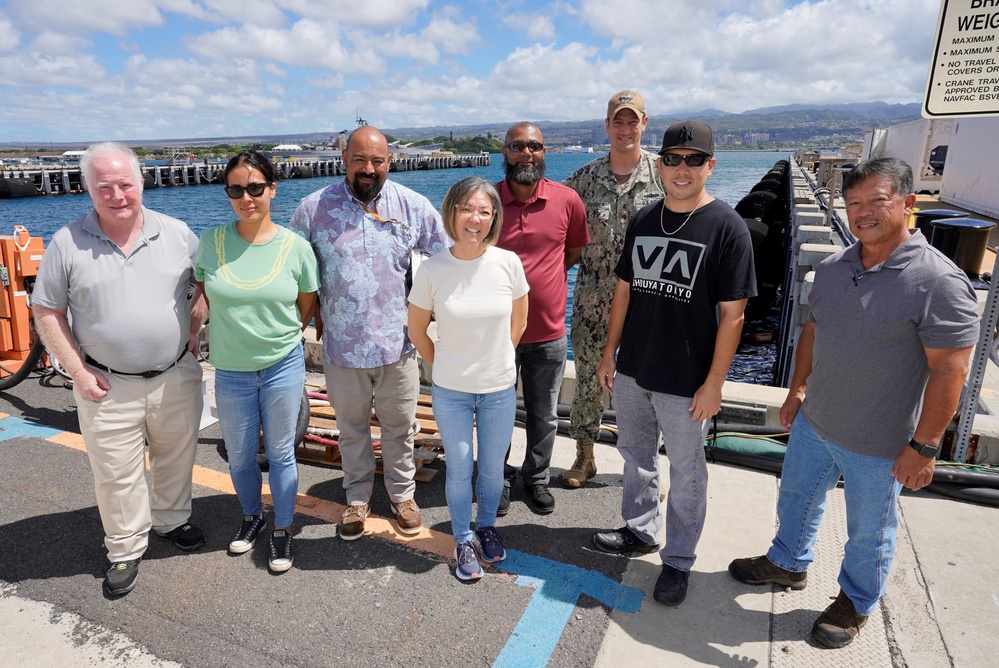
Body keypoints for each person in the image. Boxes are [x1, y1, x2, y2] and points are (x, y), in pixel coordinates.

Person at [729, 158, 979, 648]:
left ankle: (856, 601)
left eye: (877, 201)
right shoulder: (832, 268)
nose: (863, 213)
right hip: (815, 422)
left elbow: (951, 368)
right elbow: (813, 330)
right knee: (796, 498)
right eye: (854, 203)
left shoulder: (938, 282)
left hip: (881, 441)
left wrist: (924, 446)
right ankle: (787, 562)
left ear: (908, 204)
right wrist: (797, 389)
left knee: (869, 532)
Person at [32, 142, 207, 597]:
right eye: (104, 186)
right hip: (106, 381)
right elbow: (47, 311)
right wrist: (77, 372)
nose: (117, 195)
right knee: (115, 470)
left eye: (125, 184)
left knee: (177, 455)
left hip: (175, 373)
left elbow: (202, 285)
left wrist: (195, 330)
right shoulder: (67, 241)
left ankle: (172, 520)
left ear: (142, 182)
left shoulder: (178, 233)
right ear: (87, 188)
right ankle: (126, 547)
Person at [593, 121, 756, 607]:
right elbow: (624, 290)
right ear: (659, 164)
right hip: (633, 369)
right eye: (673, 159)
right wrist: (609, 354)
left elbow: (734, 316)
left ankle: (679, 560)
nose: (681, 169)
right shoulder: (644, 218)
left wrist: (714, 384)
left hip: (687, 380)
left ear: (710, 165)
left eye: (693, 160)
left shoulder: (728, 227)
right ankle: (641, 530)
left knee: (687, 472)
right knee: (635, 457)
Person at [289, 126, 449, 541]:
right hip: (342, 345)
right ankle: (356, 499)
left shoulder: (413, 207)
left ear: (389, 162)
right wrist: (311, 311)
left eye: (377, 161)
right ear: (344, 159)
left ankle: (402, 496)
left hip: (399, 345)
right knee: (352, 429)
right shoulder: (312, 208)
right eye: (359, 159)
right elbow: (295, 270)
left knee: (400, 427)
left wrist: (432, 310)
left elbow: (446, 258)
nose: (368, 168)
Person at [195, 150, 319, 573]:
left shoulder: (296, 247)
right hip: (230, 370)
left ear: (272, 189)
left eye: (255, 188)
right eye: (236, 189)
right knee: (241, 455)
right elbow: (201, 296)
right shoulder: (210, 243)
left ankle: (282, 528)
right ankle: (252, 517)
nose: (246, 198)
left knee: (283, 453)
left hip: (282, 364)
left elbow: (306, 305)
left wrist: (276, 339)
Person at [408, 177, 529, 581]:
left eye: (484, 210)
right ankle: (462, 538)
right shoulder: (432, 269)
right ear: (452, 213)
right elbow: (416, 331)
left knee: (493, 468)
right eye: (466, 209)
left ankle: (487, 527)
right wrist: (443, 364)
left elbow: (520, 320)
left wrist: (500, 358)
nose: (474, 218)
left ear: (493, 217)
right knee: (460, 469)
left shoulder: (508, 263)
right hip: (452, 391)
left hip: (498, 388)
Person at [562, 90, 664, 488]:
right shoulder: (585, 180)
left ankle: (643, 471)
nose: (625, 129)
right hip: (592, 301)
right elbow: (554, 218)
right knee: (588, 379)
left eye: (632, 120)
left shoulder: (663, 175)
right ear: (607, 126)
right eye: (617, 121)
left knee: (646, 387)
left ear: (644, 123)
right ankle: (584, 457)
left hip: (648, 305)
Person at [495, 122, 589, 516]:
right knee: (496, 411)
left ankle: (535, 479)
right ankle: (495, 479)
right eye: (517, 146)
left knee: (544, 414)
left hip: (548, 331)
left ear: (544, 152)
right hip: (497, 333)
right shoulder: (487, 200)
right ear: (504, 152)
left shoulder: (568, 201)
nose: (526, 154)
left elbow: (572, 253)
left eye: (534, 146)